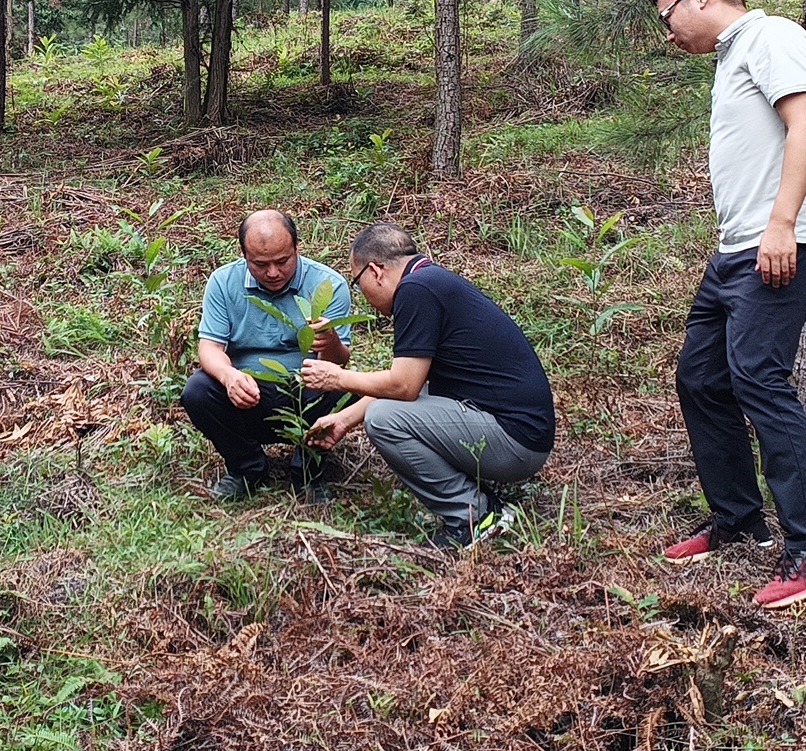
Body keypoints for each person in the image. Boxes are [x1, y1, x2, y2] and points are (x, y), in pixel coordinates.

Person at [648, 0, 806, 608]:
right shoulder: (731, 58)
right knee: (701, 376)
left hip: (778, 246)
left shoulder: (772, 36)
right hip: (734, 252)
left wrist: (783, 223)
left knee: (759, 380)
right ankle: (738, 518)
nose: (668, 32)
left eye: (667, 15)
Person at [302, 220, 555, 548]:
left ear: (376, 271)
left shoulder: (416, 290)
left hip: (515, 442)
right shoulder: (430, 280)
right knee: (387, 409)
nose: (362, 293)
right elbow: (415, 383)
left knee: (384, 420)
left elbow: (403, 387)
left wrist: (337, 378)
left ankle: (475, 516)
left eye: (357, 281)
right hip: (522, 436)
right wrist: (344, 419)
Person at [181, 210, 354, 501]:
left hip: (305, 392)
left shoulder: (328, 285)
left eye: (283, 261)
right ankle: (247, 468)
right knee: (197, 391)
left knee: (352, 387)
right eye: (260, 264)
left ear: (297, 247)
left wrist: (331, 340)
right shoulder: (224, 282)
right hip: (249, 395)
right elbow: (209, 348)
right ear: (244, 255)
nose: (273, 273)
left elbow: (337, 364)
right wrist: (230, 376)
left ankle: (308, 470)